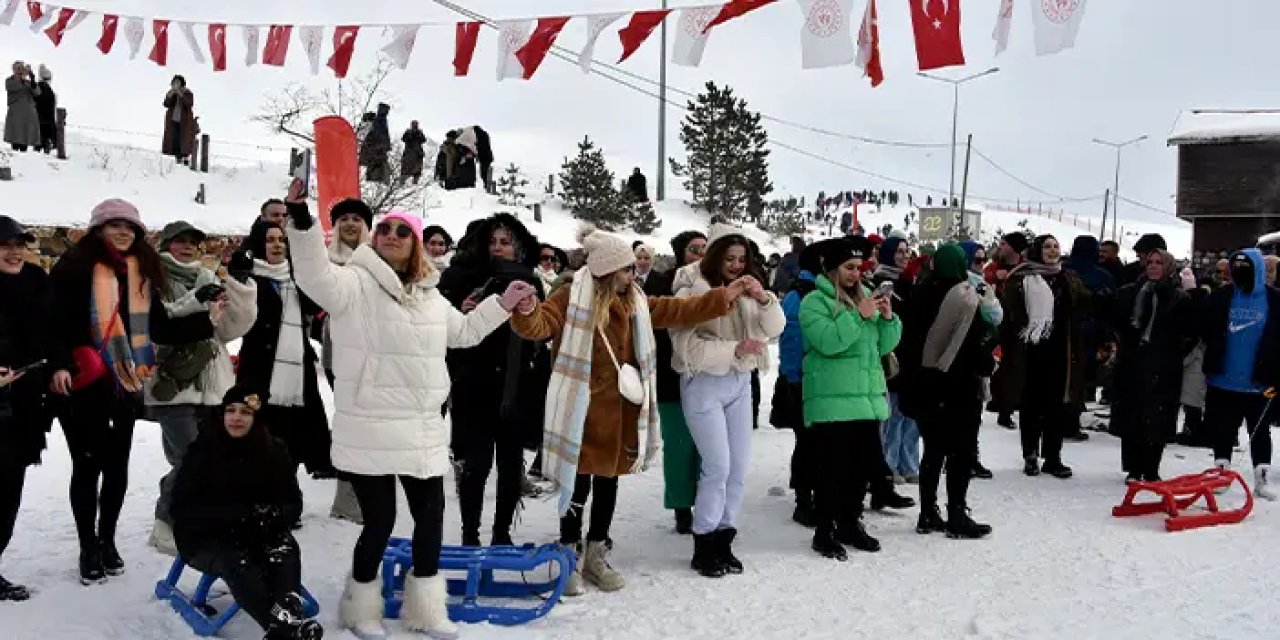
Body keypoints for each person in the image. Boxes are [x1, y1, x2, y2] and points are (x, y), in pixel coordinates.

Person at [284, 196, 530, 638]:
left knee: (431, 519)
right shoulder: (351, 283)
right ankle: (360, 608)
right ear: (374, 238)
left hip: (421, 427)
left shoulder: (430, 296)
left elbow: (465, 333)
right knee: (379, 522)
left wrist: (501, 303)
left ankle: (427, 610)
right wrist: (302, 221)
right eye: (385, 229)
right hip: (370, 426)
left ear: (415, 243)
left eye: (403, 231)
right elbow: (312, 274)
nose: (392, 236)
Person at [511, 225, 745, 594]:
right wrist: (526, 311)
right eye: (625, 269)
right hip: (580, 411)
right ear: (606, 270)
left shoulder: (634, 299)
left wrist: (720, 298)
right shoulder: (571, 296)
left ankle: (596, 554)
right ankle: (569, 555)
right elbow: (541, 325)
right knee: (576, 486)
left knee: (608, 484)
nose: (632, 274)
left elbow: (675, 309)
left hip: (620, 412)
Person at [50, 199, 216, 585]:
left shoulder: (141, 271)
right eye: (115, 225)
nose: (124, 232)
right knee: (87, 466)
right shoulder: (74, 267)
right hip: (83, 381)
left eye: (130, 227)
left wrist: (207, 320)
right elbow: (53, 323)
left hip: (125, 382)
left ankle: (107, 540)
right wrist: (60, 363)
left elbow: (159, 327)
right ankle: (88, 546)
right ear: (98, 230)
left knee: (117, 467)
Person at [671, 231, 784, 577]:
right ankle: (703, 540)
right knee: (717, 466)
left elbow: (776, 328)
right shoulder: (692, 289)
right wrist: (733, 348)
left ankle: (724, 536)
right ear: (715, 257)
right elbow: (684, 346)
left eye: (741, 259)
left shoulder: (750, 290)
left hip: (740, 380)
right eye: (729, 259)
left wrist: (764, 299)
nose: (736, 265)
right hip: (703, 382)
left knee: (738, 467)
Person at [171, 386, 322, 640]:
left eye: (245, 412)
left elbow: (292, 503)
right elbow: (183, 506)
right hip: (207, 536)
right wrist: (239, 517)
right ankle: (284, 629)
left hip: (260, 531)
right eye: (230, 410)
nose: (236, 418)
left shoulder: (273, 450)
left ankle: (286, 621)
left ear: (256, 417)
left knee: (285, 549)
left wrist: (272, 516)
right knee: (239, 561)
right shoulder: (204, 449)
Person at [145, 221, 258, 556]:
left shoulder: (208, 278)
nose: (188, 247)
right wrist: (198, 303)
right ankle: (164, 523)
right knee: (189, 457)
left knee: (204, 458)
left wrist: (240, 286)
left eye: (193, 242)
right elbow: (159, 328)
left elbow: (228, 330)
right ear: (165, 245)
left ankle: (190, 515)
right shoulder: (152, 281)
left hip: (214, 384)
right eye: (179, 241)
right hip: (174, 385)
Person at [438, 214, 549, 547]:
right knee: (476, 463)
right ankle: (470, 533)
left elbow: (542, 329)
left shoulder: (531, 279)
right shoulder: (464, 275)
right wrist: (461, 308)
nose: (498, 248)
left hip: (518, 383)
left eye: (505, 242)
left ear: (519, 246)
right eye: (493, 241)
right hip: (475, 380)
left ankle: (502, 533)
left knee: (511, 465)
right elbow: (444, 322)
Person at [801, 236, 902, 561]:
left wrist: (888, 319)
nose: (855, 274)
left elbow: (883, 346)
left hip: (866, 398)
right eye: (848, 267)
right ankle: (825, 529)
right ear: (832, 268)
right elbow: (828, 342)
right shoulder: (814, 301)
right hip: (832, 400)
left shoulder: (865, 298)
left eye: (859, 267)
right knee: (832, 470)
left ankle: (850, 522)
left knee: (860, 469)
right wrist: (858, 315)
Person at [898, 243, 996, 539]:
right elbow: (974, 345)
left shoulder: (918, 294)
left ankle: (927, 512)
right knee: (961, 453)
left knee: (933, 451)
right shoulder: (965, 297)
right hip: (958, 386)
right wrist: (988, 363)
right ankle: (956, 513)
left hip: (925, 385)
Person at [0, 216, 70, 600]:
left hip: (25, 405)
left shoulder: (36, 280)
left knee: (8, 493)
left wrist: (60, 365)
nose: (15, 253)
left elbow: (54, 331)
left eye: (19, 245)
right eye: (5, 246)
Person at [234, 221, 333, 482]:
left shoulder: (296, 277)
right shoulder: (248, 277)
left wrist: (303, 276)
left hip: (297, 371)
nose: (277, 245)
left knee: (294, 438)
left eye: (281, 240)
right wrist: (238, 279)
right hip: (260, 369)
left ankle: (287, 493)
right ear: (258, 245)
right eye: (270, 240)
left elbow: (314, 307)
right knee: (262, 437)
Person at [1000, 235, 1089, 479]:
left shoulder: (1067, 277)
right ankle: (1030, 454)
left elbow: (1083, 305)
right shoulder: (1021, 278)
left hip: (1061, 349)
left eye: (1056, 246)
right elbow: (1010, 314)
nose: (1052, 251)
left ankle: (1053, 457)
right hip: (1029, 350)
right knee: (1030, 404)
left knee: (1056, 405)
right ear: (1037, 251)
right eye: (1047, 247)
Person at [1199, 249, 1280, 500]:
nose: (1239, 274)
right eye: (1235, 269)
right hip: (1223, 379)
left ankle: (1261, 479)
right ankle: (1221, 473)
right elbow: (1205, 328)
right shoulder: (1221, 297)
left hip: (1260, 382)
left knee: (1260, 430)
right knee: (1223, 429)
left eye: (1245, 269)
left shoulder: (1275, 300)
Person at [1111, 250, 1194, 483]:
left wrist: (1174, 354)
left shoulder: (1178, 297)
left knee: (1159, 416)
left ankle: (1151, 467)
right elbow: (1119, 323)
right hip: (1133, 362)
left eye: (1159, 263)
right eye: (1150, 262)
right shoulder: (1131, 292)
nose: (1154, 266)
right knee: (1133, 414)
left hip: (1164, 364)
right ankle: (1133, 468)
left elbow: (1189, 331)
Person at [646, 230, 708, 535]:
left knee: (709, 447)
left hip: (709, 376)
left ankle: (708, 502)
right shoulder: (662, 284)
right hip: (671, 377)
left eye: (705, 248)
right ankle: (682, 506)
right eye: (694, 249)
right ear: (681, 252)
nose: (700, 254)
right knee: (679, 445)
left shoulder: (716, 281)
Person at [318, 200, 374, 525]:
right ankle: (347, 497)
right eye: (344, 219)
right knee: (349, 421)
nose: (350, 224)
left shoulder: (378, 259)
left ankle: (370, 492)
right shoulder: (325, 260)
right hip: (338, 350)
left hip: (376, 350)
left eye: (356, 219)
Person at [771, 240, 834, 527]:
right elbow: (793, 343)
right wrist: (795, 380)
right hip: (803, 381)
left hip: (813, 380)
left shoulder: (813, 291)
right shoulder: (802, 295)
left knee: (817, 443)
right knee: (808, 443)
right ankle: (804, 500)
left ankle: (817, 495)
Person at [872, 236, 919, 483]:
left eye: (906, 250)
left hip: (911, 357)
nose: (904, 255)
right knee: (890, 415)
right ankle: (888, 465)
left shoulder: (909, 282)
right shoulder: (880, 282)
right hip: (891, 357)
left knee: (909, 413)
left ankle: (909, 464)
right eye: (899, 251)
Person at [1064, 236, 1117, 440]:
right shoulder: (1102, 276)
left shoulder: (1063, 271)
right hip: (1089, 332)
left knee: (1065, 378)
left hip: (1066, 331)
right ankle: (1071, 422)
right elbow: (1110, 306)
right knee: (1079, 378)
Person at [987, 233, 1029, 429]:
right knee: (997, 364)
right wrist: (994, 278)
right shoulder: (994, 267)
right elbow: (982, 282)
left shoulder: (1025, 270)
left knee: (1013, 366)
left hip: (1017, 326)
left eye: (1004, 244)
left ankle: (1007, 408)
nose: (1000, 247)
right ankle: (997, 401)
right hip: (996, 324)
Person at [5, 61, 40, 152]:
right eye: (18, 68)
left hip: (28, 116)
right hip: (16, 115)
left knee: (24, 141)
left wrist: (32, 80)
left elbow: (37, 93)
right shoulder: (10, 81)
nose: (20, 71)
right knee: (16, 140)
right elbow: (14, 87)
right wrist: (22, 77)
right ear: (14, 70)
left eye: (22, 68)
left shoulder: (27, 82)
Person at [162, 75, 197, 162]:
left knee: (182, 139)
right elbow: (166, 104)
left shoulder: (188, 93)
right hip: (172, 120)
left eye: (177, 82)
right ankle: (172, 155)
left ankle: (182, 156)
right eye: (174, 82)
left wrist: (180, 94)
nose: (175, 84)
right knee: (172, 138)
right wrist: (169, 95)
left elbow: (189, 104)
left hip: (184, 122)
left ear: (182, 83)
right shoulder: (172, 93)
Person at [360, 103, 391, 183]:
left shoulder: (378, 121)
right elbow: (381, 134)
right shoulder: (379, 121)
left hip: (375, 149)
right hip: (376, 149)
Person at [33, 65, 55, 154]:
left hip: (38, 120)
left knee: (37, 147)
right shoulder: (50, 91)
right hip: (47, 121)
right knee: (45, 144)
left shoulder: (37, 88)